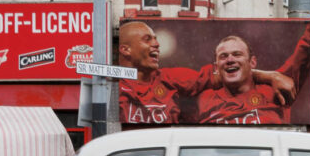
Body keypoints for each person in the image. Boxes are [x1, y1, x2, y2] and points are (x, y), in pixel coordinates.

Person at [116, 20, 297, 125]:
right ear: (126, 50)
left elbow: (225, 75)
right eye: (148, 40)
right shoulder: (109, 86)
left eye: (156, 39)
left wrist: (270, 76)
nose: (156, 44)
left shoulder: (172, 78)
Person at [195, 32, 310, 125]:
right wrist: (267, 75)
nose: (230, 60)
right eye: (223, 56)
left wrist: (271, 77)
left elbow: (308, 43)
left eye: (237, 54)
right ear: (216, 67)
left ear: (252, 62)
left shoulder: (274, 91)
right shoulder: (204, 99)